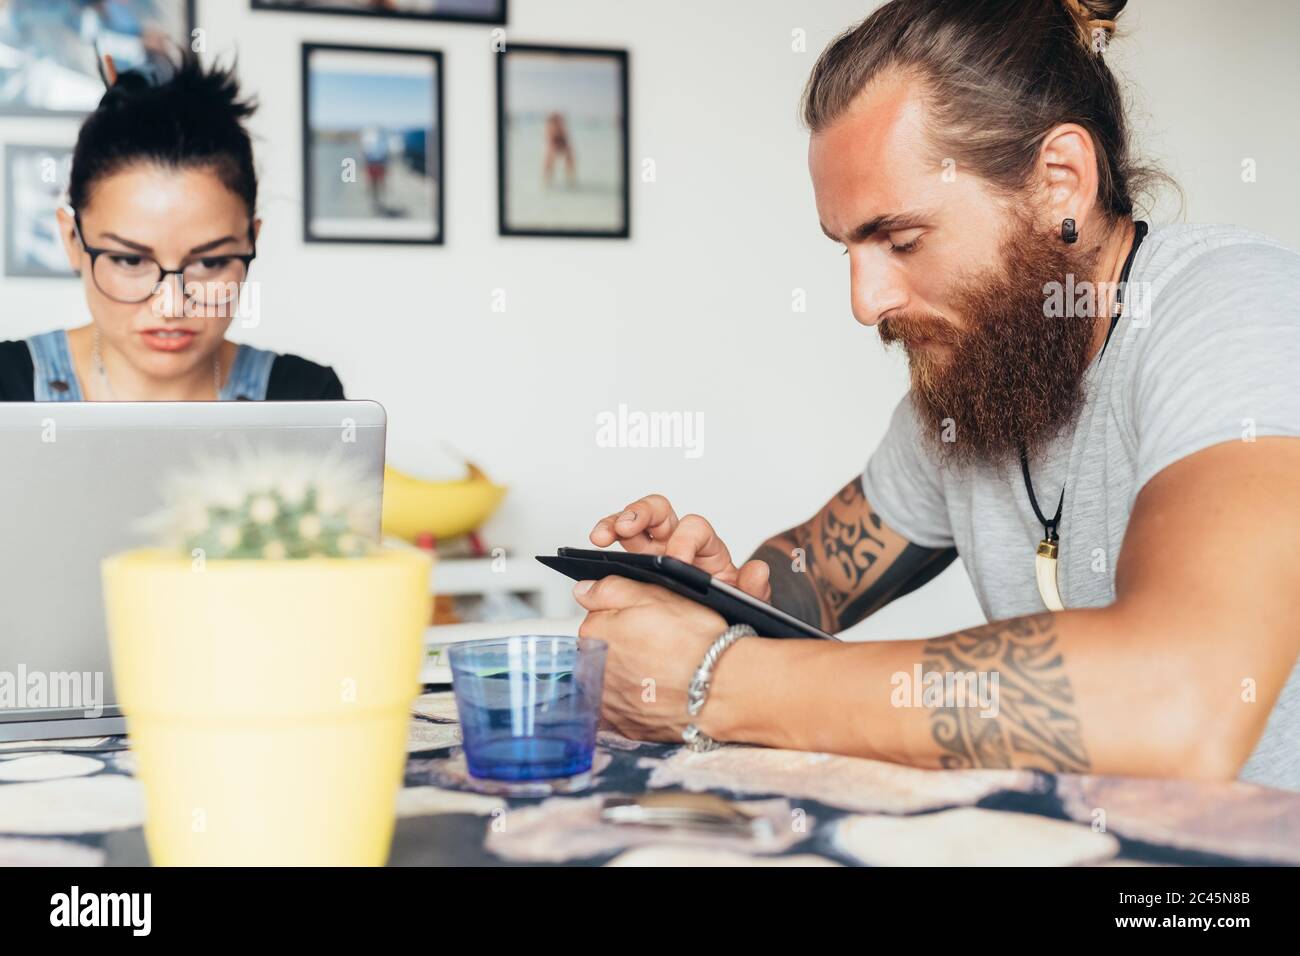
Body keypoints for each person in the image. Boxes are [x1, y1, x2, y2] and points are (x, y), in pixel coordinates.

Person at [574, 0, 1300, 791]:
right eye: (848, 247)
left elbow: (1180, 695)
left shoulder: (1242, 310)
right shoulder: (978, 381)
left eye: (903, 239)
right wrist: (710, 602)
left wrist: (713, 680)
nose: (865, 301)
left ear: (1060, 182)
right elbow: (813, 576)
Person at [0, 50, 344, 402]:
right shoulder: (6, 386)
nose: (172, 307)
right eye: (130, 260)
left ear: (252, 240)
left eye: (209, 263)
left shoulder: (307, 398)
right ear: (73, 240)